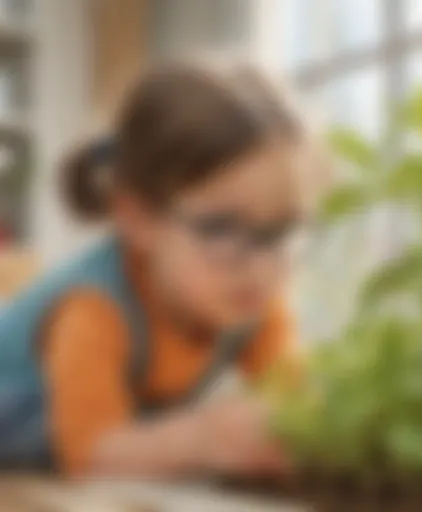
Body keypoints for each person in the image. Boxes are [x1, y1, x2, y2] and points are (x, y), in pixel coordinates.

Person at [0, 60, 323, 478]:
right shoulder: (92, 309)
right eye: (221, 229)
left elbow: (293, 403)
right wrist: (203, 439)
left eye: (280, 233)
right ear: (137, 219)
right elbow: (90, 455)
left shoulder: (253, 304)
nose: (261, 268)